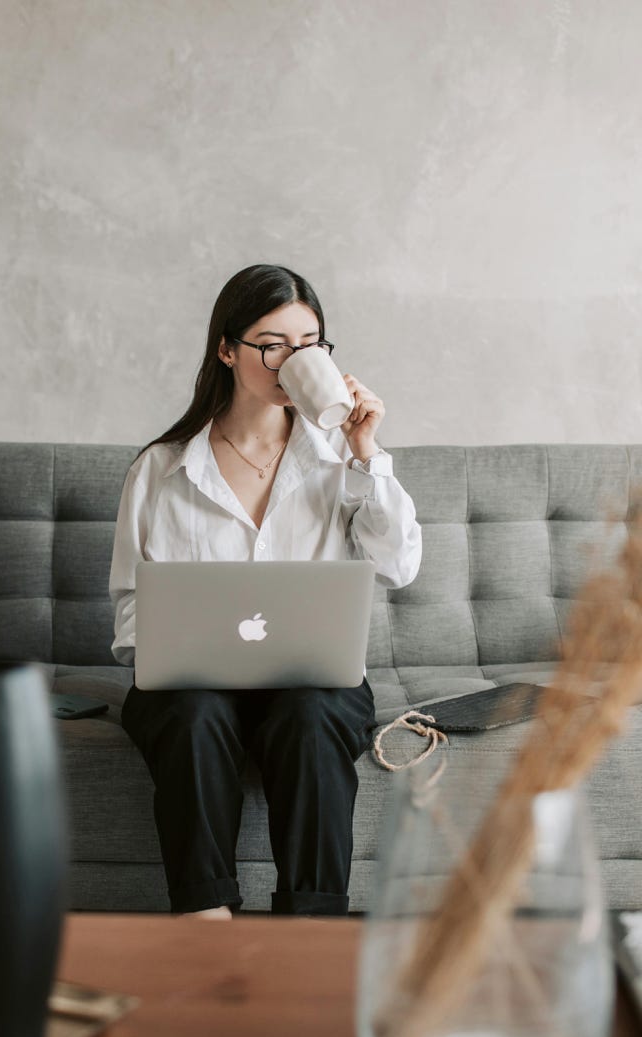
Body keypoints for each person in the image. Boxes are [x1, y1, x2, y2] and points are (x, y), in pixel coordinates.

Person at [108, 264, 422, 919]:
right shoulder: (161, 468)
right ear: (227, 350)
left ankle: (311, 926)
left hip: (310, 681)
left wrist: (367, 453)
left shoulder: (340, 460)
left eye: (309, 344)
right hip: (192, 688)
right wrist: (166, 652)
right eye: (272, 343)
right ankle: (205, 918)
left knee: (312, 716)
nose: (293, 360)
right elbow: (133, 607)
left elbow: (399, 567)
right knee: (193, 714)